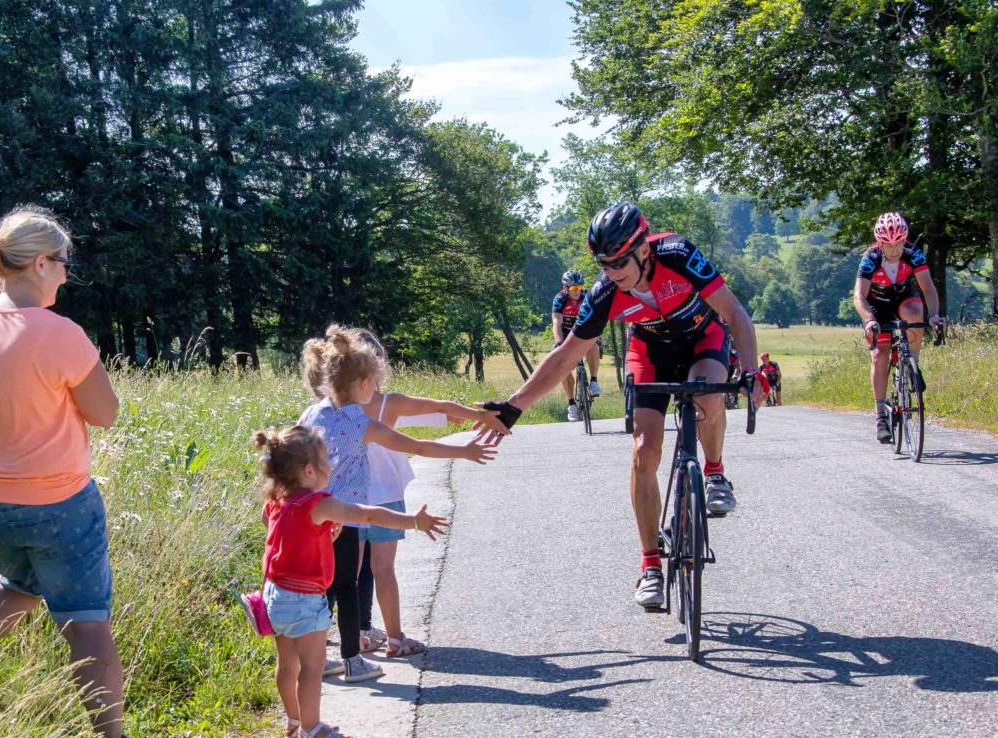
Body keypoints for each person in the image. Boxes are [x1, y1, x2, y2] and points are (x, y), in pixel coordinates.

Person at [0, 206, 146, 738]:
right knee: (85, 618)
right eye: (61, 262)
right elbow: (105, 414)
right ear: (35, 263)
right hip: (53, 500)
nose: (65, 274)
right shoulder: (59, 333)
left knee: (17, 582)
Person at [481, 202, 766, 609]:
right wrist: (514, 407)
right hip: (649, 353)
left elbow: (735, 313)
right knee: (643, 451)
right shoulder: (604, 293)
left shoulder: (679, 255)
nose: (612, 273)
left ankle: (716, 472)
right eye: (604, 264)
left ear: (643, 250)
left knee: (706, 394)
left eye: (618, 263)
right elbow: (565, 356)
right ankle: (651, 564)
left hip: (703, 340)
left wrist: (752, 370)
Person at [299, 326, 497, 681]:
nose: (376, 386)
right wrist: (463, 450)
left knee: (330, 585)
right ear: (362, 382)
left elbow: (292, 452)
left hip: (321, 514)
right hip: (358, 512)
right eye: (373, 379)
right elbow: (418, 446)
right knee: (358, 581)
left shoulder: (313, 414)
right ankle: (368, 651)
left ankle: (325, 652)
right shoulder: (362, 422)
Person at [250, 426, 447, 738]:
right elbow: (366, 514)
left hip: (274, 594)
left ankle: (295, 720)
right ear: (309, 471)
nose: (331, 467)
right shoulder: (319, 504)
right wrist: (413, 520)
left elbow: (269, 523)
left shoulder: (276, 500)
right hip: (304, 597)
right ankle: (312, 731)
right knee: (312, 668)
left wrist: (312, 535)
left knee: (287, 664)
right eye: (327, 461)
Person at [853, 212, 944, 443]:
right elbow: (859, 296)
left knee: (915, 313)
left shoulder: (913, 253)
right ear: (879, 242)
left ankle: (913, 364)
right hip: (876, 304)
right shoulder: (871, 257)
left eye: (899, 244)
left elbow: (927, 287)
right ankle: (881, 415)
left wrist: (934, 314)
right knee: (880, 355)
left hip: (903, 298)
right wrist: (869, 320)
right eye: (888, 245)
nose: (894, 250)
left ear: (905, 240)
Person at [552, 270, 604, 421]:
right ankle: (571, 404)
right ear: (565, 288)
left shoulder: (587, 296)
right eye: (573, 288)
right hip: (565, 334)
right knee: (561, 366)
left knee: (594, 344)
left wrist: (597, 336)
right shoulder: (560, 299)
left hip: (583, 332)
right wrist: (559, 342)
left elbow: (596, 319)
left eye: (579, 287)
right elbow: (556, 322)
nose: (577, 291)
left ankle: (594, 381)